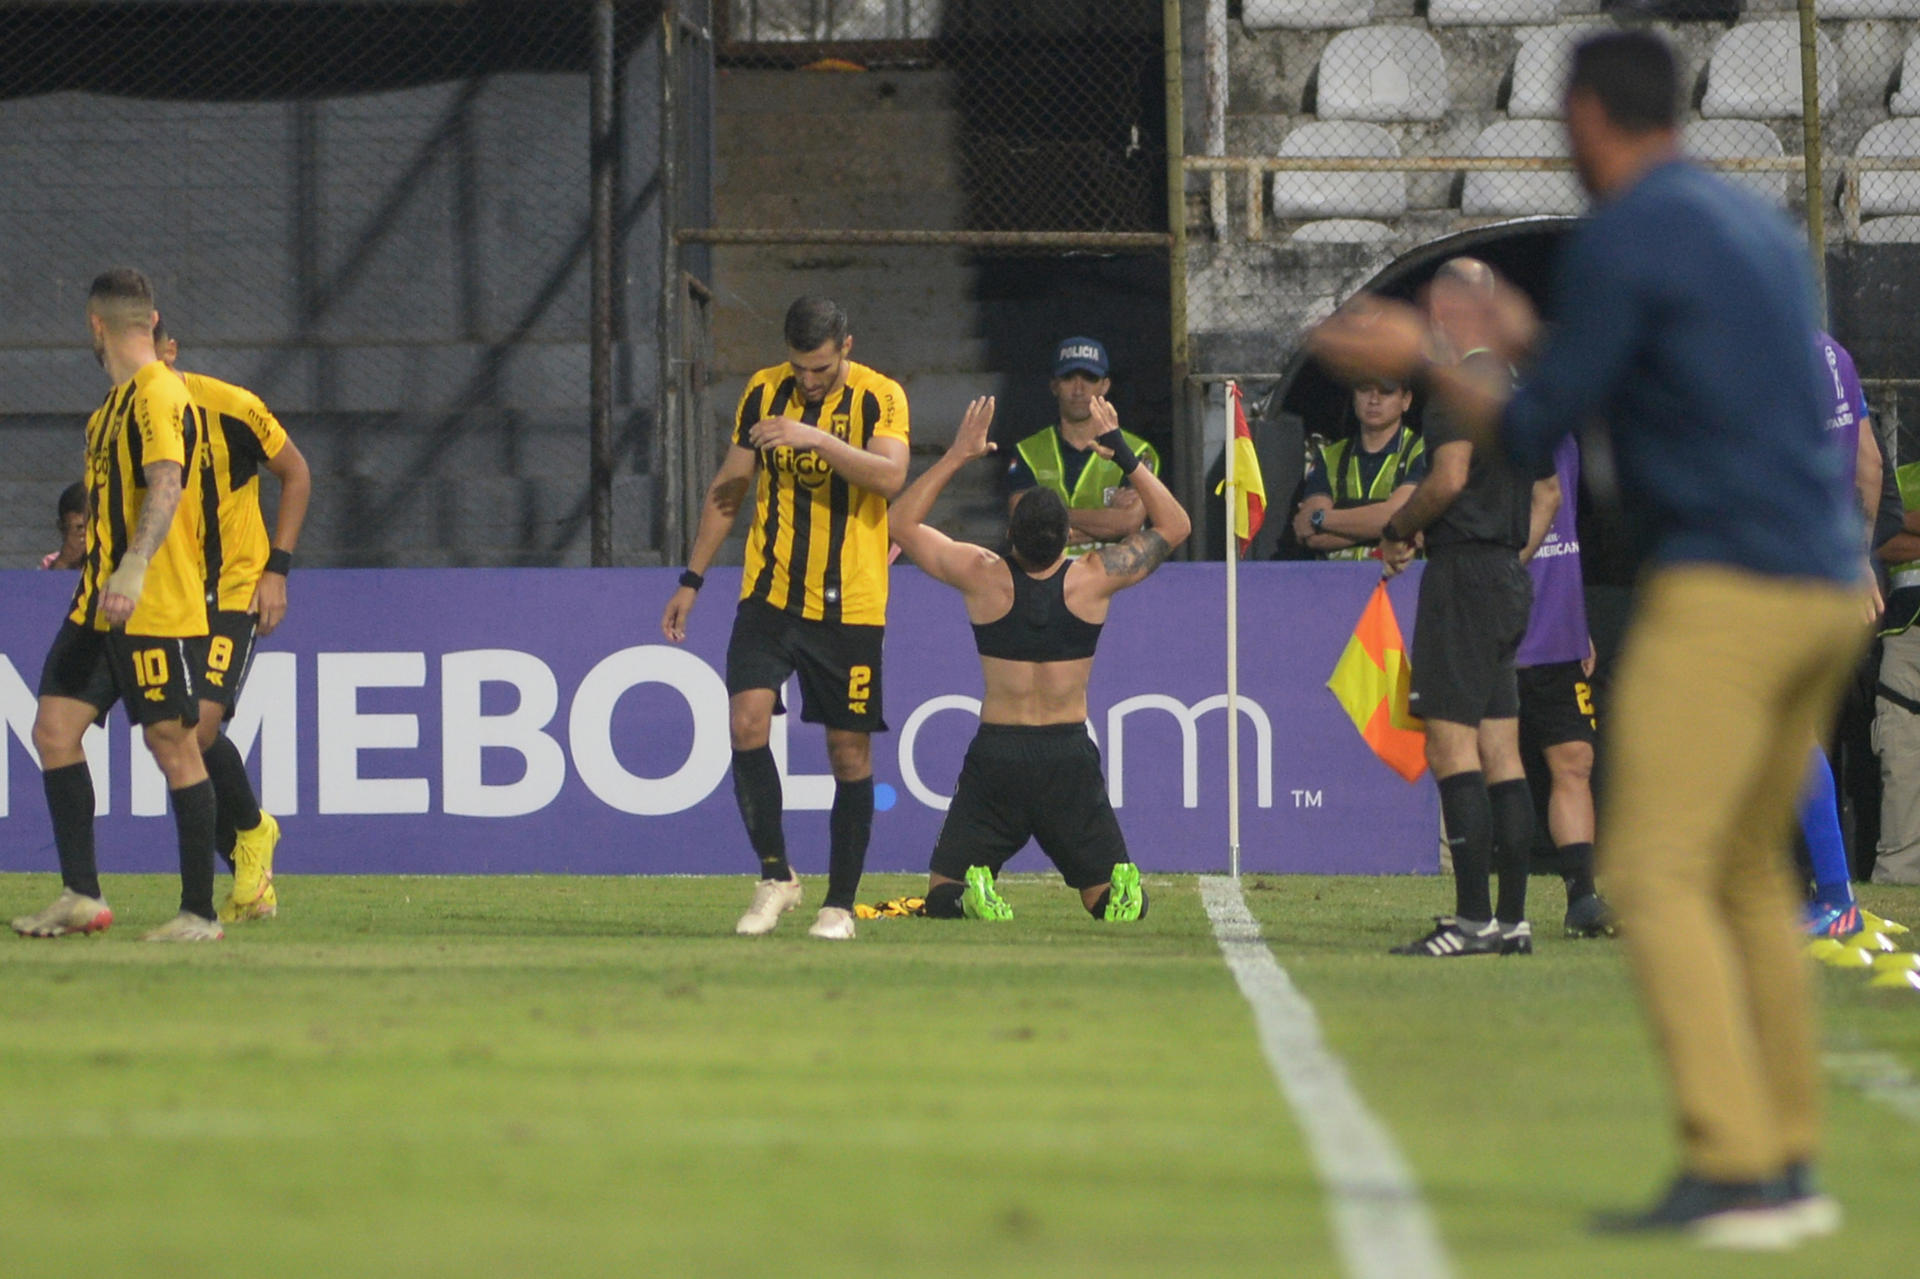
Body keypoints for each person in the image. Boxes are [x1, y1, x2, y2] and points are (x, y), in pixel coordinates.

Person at [1309, 30, 1864, 1246]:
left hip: (1733, 584)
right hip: (1827, 583)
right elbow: (1655, 393)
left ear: (1592, 118)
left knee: (1653, 870)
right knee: (1742, 874)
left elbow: (1543, 422)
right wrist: (1521, 339)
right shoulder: (1756, 236)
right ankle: (1789, 1159)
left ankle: (1733, 1165)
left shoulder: (1627, 232)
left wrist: (1431, 354)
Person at [661, 296, 908, 941]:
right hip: (769, 593)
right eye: (799, 367)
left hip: (849, 604)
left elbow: (890, 479)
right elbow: (731, 486)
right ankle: (776, 877)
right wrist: (693, 577)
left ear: (845, 348)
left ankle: (840, 904)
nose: (807, 380)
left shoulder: (881, 399)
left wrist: (815, 438)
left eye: (820, 369)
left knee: (847, 751)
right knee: (746, 723)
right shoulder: (763, 391)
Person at [889, 395, 1188, 921]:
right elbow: (1175, 525)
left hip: (998, 754)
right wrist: (1121, 450)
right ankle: (1123, 892)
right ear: (1066, 540)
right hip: (1067, 755)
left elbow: (901, 524)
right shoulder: (1093, 578)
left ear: (1011, 534)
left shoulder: (984, 575)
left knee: (941, 897)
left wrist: (958, 454)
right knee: (1106, 904)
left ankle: (971, 895)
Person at [11, 268, 222, 942]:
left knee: (173, 745)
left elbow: (167, 481)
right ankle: (80, 895)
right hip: (99, 605)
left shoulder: (159, 393)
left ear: (95, 326)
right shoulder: (109, 410)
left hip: (151, 601)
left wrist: (133, 567)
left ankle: (199, 913)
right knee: (52, 728)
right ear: (151, 322)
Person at [1377, 257, 1552, 960]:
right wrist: (1509, 560)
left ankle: (1472, 918)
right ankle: (1512, 919)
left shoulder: (1458, 388)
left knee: (1451, 744)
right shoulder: (1518, 393)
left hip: (1465, 577)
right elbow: (1547, 497)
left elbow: (1447, 477)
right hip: (1506, 576)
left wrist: (1399, 528)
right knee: (1502, 749)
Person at [158, 322, 312, 922]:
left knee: (193, 732)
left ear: (171, 349)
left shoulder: (231, 407)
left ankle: (249, 838)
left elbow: (296, 473)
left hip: (235, 588)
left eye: (154, 353)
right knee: (180, 736)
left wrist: (278, 569)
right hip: (172, 598)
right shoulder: (125, 421)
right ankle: (252, 844)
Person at [1515, 435, 1614, 937]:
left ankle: (1582, 898)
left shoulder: (1569, 438)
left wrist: (1578, 621)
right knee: (1489, 765)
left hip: (1558, 630)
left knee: (1574, 759)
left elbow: (1569, 534)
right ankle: (1489, 902)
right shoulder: (1489, 416)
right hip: (1498, 623)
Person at [1005, 337, 1161, 558]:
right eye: (1068, 377)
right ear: (1054, 385)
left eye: (1089, 378)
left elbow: (1129, 523)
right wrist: (1109, 520)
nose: (1079, 389)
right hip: (1046, 576)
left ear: (1105, 385)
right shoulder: (1027, 451)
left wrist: (1048, 517)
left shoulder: (1137, 450)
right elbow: (1024, 523)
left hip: (1113, 576)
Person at [1293, 378, 1427, 560]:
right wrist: (1387, 528)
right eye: (1365, 390)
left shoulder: (1422, 452)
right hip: (1335, 581)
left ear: (1406, 400)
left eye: (1386, 392)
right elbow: (1312, 536)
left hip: (1398, 581)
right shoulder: (1329, 456)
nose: (1374, 400)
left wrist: (1320, 518)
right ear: (1354, 397)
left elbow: (1399, 517)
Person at [41, 483, 86, 570]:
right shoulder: (51, 561)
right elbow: (48, 582)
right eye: (80, 528)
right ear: (62, 529)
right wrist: (65, 561)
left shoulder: (112, 558)